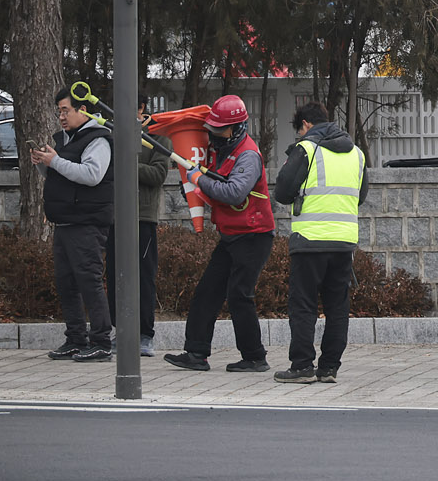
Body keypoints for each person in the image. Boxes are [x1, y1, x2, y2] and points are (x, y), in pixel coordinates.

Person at [164, 95, 277, 373]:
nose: (212, 134)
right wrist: (194, 188)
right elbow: (213, 184)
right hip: (232, 234)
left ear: (237, 128)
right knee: (207, 291)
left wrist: (197, 179)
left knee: (239, 294)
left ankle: (254, 357)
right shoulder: (221, 149)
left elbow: (233, 191)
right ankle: (196, 353)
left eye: (219, 129)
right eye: (211, 127)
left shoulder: (247, 155)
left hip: (254, 235)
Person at [271, 102, 368, 384]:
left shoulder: (307, 149)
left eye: (299, 131)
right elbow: (359, 196)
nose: (300, 137)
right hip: (344, 242)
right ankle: (328, 368)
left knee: (303, 304)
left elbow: (283, 191)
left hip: (310, 239)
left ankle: (302, 365)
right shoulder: (357, 154)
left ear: (306, 125)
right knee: (338, 306)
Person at [29, 90, 114, 361]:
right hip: (64, 221)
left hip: (87, 222)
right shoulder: (63, 139)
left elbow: (92, 175)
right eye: (59, 112)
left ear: (83, 110)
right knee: (66, 283)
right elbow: (62, 173)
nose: (61, 117)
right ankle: (75, 337)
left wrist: (54, 160)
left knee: (89, 280)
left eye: (66, 110)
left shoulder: (98, 139)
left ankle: (101, 340)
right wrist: (44, 164)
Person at [106, 106, 172, 357]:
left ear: (141, 109)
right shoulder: (110, 135)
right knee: (114, 275)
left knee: (143, 277)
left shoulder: (159, 138)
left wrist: (127, 161)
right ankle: (119, 330)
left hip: (143, 217)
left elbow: (158, 173)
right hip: (114, 217)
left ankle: (145, 335)